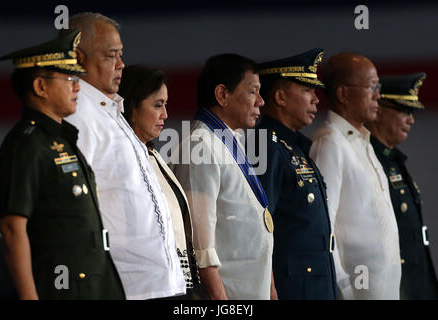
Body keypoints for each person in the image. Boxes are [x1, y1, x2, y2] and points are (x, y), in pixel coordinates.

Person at [0, 30, 125, 299]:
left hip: (95, 280)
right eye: (69, 79)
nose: (77, 87)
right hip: (62, 287)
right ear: (40, 87)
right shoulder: (27, 144)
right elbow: (12, 227)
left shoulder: (62, 139)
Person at [64, 13, 185, 299]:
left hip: (159, 283)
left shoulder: (112, 112)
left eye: (121, 55)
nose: (121, 65)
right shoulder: (78, 115)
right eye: (111, 56)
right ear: (79, 57)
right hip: (127, 286)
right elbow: (73, 210)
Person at [171, 54, 276, 300]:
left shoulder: (229, 141)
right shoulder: (200, 147)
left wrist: (270, 291)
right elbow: (200, 246)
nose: (261, 101)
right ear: (222, 95)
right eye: (253, 92)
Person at [310, 53, 401, 299]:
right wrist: (345, 290)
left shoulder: (364, 143)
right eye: (372, 87)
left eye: (378, 87)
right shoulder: (330, 144)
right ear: (343, 94)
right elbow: (323, 228)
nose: (378, 95)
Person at [256, 48, 338, 299]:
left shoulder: (294, 146)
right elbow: (260, 226)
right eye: (307, 90)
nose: (316, 99)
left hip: (315, 284)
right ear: (280, 97)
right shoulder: (265, 146)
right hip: (289, 287)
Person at [118, 64, 204, 299]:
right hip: (146, 287)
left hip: (176, 283)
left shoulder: (153, 154)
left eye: (165, 104)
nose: (165, 114)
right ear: (131, 107)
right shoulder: (123, 159)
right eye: (157, 105)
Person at [366, 73, 438, 299]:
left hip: (417, 283)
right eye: (404, 111)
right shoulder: (367, 160)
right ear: (378, 109)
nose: (411, 120)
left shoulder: (394, 161)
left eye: (412, 113)